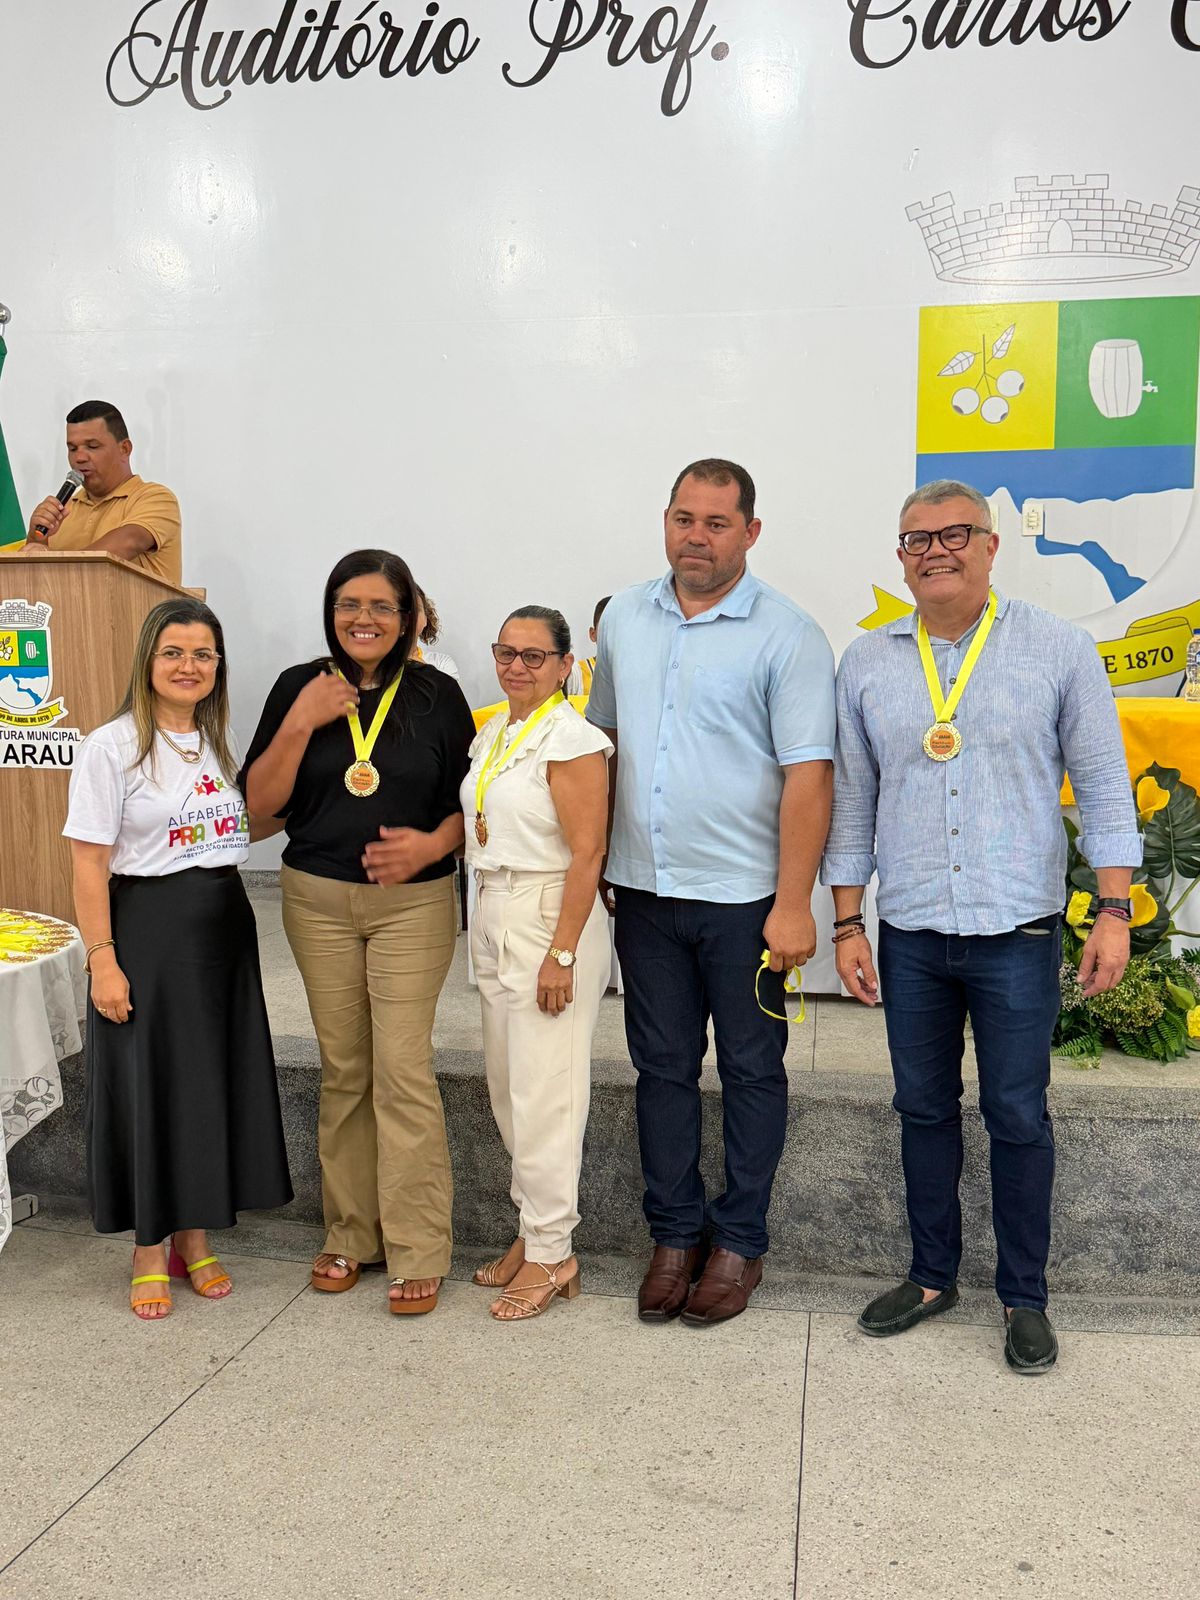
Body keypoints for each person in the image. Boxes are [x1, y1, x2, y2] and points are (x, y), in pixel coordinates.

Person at [822, 479, 1141, 1374]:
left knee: (1015, 1114)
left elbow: (1106, 787)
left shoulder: (1059, 649)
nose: (935, 550)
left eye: (954, 533)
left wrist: (1112, 911)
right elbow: (852, 803)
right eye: (916, 539)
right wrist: (847, 921)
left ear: (992, 545)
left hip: (1017, 930)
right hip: (913, 931)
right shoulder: (869, 662)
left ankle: (1023, 1296)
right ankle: (932, 1277)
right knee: (921, 1107)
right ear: (901, 557)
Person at [587, 459, 835, 1326]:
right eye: (683, 518)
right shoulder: (623, 617)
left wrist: (794, 901)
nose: (697, 536)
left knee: (751, 1069)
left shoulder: (788, 634)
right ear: (665, 521)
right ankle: (673, 1236)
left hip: (745, 903)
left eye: (716, 523)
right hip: (646, 896)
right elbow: (605, 740)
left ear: (751, 533)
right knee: (659, 1069)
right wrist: (600, 862)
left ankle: (738, 1243)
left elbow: (810, 777)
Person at [242, 550, 475, 1315]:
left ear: (408, 615)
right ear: (329, 611)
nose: (363, 619)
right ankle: (351, 1233)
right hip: (315, 901)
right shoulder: (298, 687)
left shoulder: (439, 696)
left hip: (412, 905)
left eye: (381, 606)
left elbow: (474, 808)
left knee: (402, 1068)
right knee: (345, 1069)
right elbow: (257, 811)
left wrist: (432, 846)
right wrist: (301, 723)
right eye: (349, 604)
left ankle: (417, 1247)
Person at [63, 598, 292, 1321]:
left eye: (203, 654)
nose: (189, 666)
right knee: (151, 1087)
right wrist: (102, 959)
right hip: (150, 932)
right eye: (174, 653)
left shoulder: (217, 744)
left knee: (204, 1088)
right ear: (148, 661)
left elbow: (235, 828)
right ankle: (147, 1247)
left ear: (217, 667)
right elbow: (88, 863)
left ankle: (193, 1237)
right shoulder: (110, 747)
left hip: (223, 932)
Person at [464, 606, 612, 1320]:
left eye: (533, 655)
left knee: (547, 1091)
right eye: (506, 652)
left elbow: (589, 853)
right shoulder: (495, 731)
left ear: (564, 665)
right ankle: (533, 1230)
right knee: (506, 1086)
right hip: (494, 903)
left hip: (551, 911)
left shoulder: (574, 739)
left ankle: (555, 1253)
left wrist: (561, 951)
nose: (516, 666)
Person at [17, 401, 182, 585]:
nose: (79, 458)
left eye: (92, 446)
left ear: (124, 449)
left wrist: (57, 564)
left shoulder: (155, 498)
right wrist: (37, 539)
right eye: (72, 449)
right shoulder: (63, 509)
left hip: (137, 613)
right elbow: (34, 585)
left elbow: (128, 543)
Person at [566, 595, 610, 696]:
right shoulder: (575, 674)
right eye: (607, 627)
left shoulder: (643, 675)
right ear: (593, 634)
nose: (615, 634)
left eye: (621, 627)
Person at [413, 589, 461, 681]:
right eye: (403, 609)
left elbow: (449, 695)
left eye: (416, 609)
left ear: (426, 619)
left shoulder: (442, 663)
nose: (410, 616)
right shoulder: (378, 662)